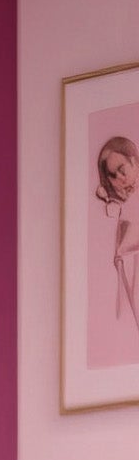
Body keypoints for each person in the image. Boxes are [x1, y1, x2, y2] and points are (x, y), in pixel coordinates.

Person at [97, 135, 139, 342]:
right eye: (113, 176)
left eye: (122, 170)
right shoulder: (121, 210)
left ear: (134, 161)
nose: (120, 179)